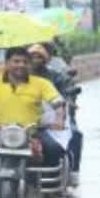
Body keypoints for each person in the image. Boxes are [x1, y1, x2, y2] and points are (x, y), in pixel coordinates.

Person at [0, 46, 67, 173]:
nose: (21, 65)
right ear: (7, 63)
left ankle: (51, 190)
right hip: (2, 132)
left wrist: (59, 119)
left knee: (55, 149)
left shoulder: (41, 83)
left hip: (33, 132)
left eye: (25, 62)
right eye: (16, 61)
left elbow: (57, 102)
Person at [27, 44, 81, 187]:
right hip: (23, 120)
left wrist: (69, 102)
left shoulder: (56, 76)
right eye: (32, 56)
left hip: (52, 117)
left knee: (75, 134)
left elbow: (67, 89)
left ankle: (72, 172)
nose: (36, 59)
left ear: (47, 59)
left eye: (39, 56)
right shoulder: (18, 76)